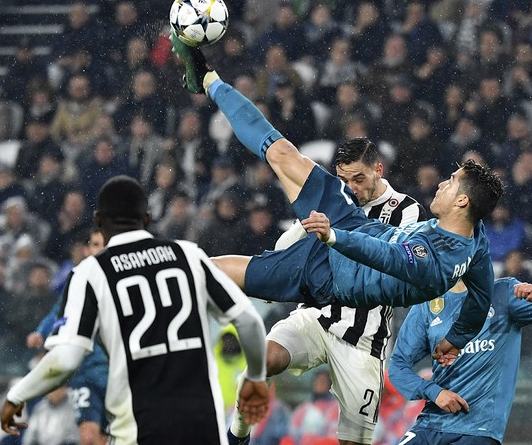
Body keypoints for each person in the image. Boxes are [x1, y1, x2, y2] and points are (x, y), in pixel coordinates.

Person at [171, 34, 504, 362]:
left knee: (223, 274)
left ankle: (160, 281)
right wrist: (456, 338)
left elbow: (386, 256)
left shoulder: (433, 264)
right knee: (284, 154)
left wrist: (333, 236)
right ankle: (208, 79)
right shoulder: (476, 239)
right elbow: (481, 295)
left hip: (329, 275)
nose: (442, 184)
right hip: (349, 222)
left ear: (463, 202)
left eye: (451, 183)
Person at [0, 175, 270, 444]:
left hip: (140, 429)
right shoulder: (188, 255)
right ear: (147, 219)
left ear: (98, 221)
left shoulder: (90, 273)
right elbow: (248, 320)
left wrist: (18, 394)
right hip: (201, 427)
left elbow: (65, 360)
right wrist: (256, 379)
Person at [228, 138, 426, 445]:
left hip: (364, 337)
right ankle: (236, 437)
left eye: (359, 180)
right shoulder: (332, 199)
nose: (352, 188)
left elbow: (394, 263)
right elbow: (285, 248)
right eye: (344, 180)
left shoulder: (408, 211)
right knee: (265, 358)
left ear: (378, 170)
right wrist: (298, 238)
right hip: (316, 316)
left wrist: (334, 236)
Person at [389, 278, 532, 444]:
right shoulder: (428, 303)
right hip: (430, 424)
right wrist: (435, 392)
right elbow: (398, 366)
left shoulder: (502, 292)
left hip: (477, 429)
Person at [26, 229, 107, 445]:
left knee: (113, 435)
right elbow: (60, 312)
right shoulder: (78, 278)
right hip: (86, 369)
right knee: (89, 437)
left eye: (104, 244)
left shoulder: (122, 278)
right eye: (96, 245)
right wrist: (41, 332)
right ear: (87, 249)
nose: (100, 250)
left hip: (116, 369)